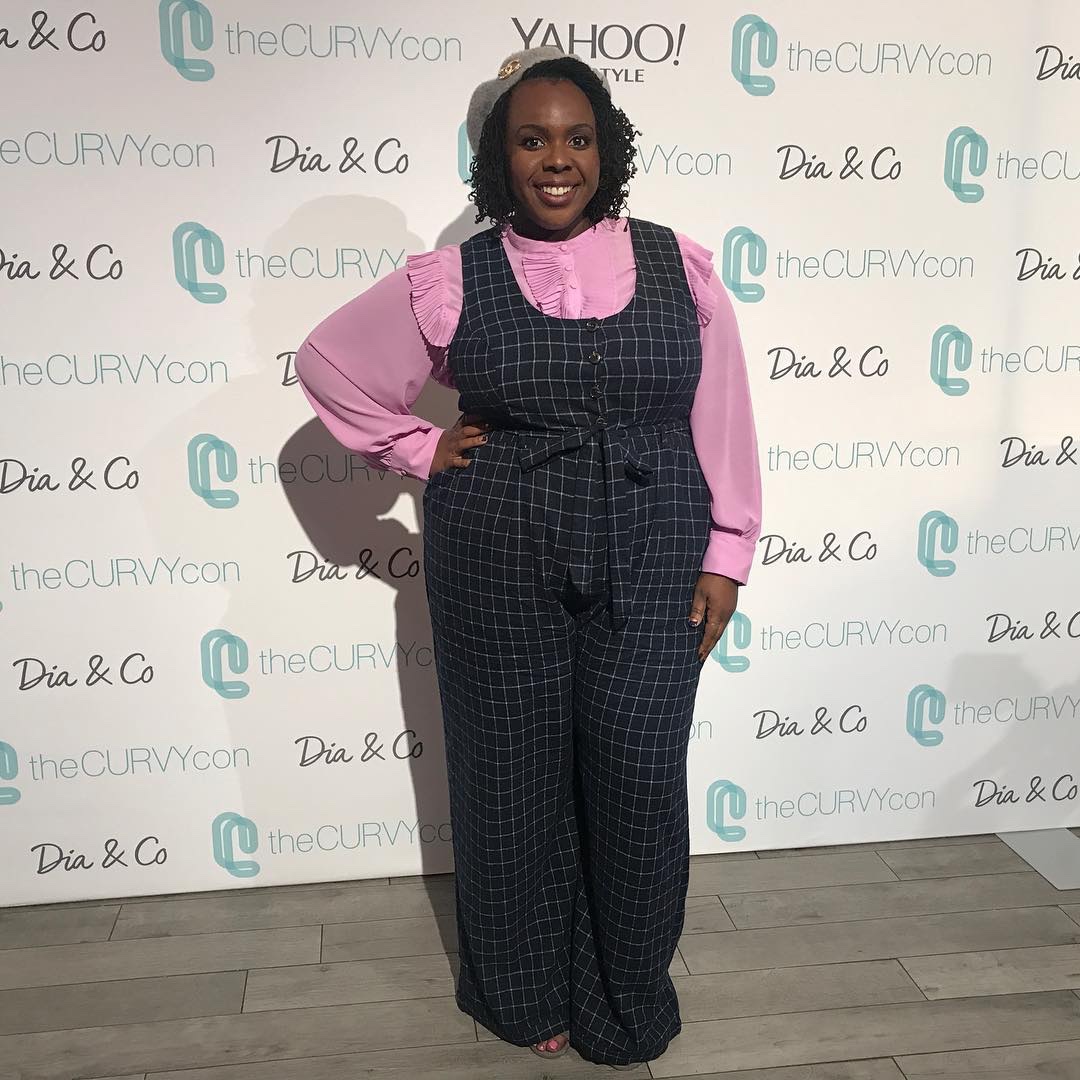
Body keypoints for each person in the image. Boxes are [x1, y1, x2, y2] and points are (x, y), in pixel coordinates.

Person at [293, 46, 762, 1070]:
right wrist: (419, 447)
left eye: (578, 137)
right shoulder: (452, 278)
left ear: (608, 148)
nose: (558, 159)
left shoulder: (678, 266)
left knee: (638, 774)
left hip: (654, 551)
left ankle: (623, 994)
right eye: (532, 139)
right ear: (498, 157)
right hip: (497, 551)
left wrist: (727, 552)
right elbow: (324, 361)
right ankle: (522, 989)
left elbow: (722, 412)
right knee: (510, 778)